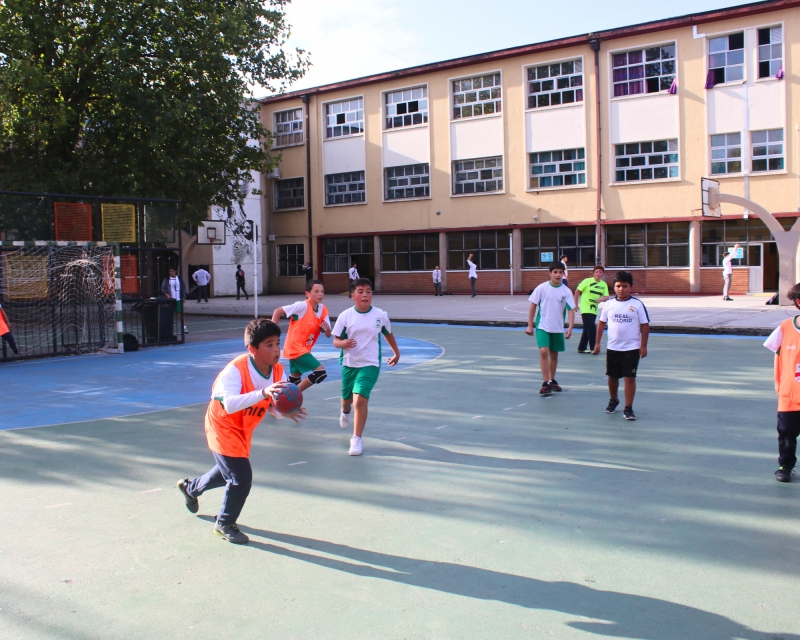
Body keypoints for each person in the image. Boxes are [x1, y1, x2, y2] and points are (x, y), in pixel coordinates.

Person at [176, 319, 307, 544]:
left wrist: (283, 412)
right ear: (252, 349)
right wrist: (264, 392)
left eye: (278, 343)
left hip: (244, 428)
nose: (276, 349)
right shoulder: (235, 370)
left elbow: (273, 407)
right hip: (222, 425)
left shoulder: (278, 371)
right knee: (241, 477)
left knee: (226, 472)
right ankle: (224, 523)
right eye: (269, 345)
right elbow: (230, 404)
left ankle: (191, 488)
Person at [332, 278, 400, 456]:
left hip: (370, 364)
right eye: (361, 291)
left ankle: (356, 439)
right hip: (349, 364)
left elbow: (388, 334)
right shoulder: (345, 316)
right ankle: (344, 411)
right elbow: (335, 341)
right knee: (347, 400)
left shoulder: (380, 315)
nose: (365, 295)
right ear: (353, 295)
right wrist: (343, 343)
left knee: (360, 399)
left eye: (368, 291)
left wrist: (396, 353)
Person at [593, 271, 650, 421]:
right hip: (613, 348)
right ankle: (613, 400)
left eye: (625, 286)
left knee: (629, 377)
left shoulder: (637, 304)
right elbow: (601, 324)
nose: (621, 289)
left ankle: (628, 407)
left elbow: (645, 325)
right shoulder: (609, 304)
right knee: (612, 376)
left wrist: (643, 346)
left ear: (630, 287)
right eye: (618, 286)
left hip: (631, 348)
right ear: (614, 287)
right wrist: (597, 342)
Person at [763, 283, 800, 482]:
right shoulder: (785, 328)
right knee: (786, 433)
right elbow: (777, 353)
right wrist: (778, 382)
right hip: (790, 394)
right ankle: (785, 466)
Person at [271, 279, 332, 392]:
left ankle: (276, 395)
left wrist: (328, 329)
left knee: (294, 378)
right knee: (320, 373)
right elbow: (277, 311)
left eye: (322, 291)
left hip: (304, 349)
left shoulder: (323, 310)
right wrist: (271, 333)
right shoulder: (301, 306)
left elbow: (328, 335)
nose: (320, 294)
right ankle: (294, 394)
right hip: (295, 348)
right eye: (316, 291)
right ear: (307, 294)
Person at [525, 261, 575, 396]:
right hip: (542, 326)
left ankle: (552, 380)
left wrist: (570, 327)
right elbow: (533, 306)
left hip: (558, 327)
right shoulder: (542, 288)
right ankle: (546, 382)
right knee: (543, 351)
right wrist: (530, 324)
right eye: (555, 272)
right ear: (550, 273)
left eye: (560, 272)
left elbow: (571, 310)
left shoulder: (567, 291)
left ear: (564, 274)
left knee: (554, 354)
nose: (558, 275)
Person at [575, 266, 610, 354]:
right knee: (591, 326)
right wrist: (575, 304)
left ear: (603, 274)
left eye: (600, 272)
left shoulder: (603, 284)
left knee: (588, 327)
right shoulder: (587, 281)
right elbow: (577, 291)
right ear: (593, 273)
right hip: (585, 307)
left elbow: (607, 296)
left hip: (594, 308)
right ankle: (593, 347)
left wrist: (600, 300)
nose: (598, 274)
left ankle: (582, 347)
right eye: (597, 272)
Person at [161, 267, 188, 333]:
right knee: (170, 314)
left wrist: (183, 297)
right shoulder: (167, 280)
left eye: (171, 271)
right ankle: (168, 329)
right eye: (169, 271)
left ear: (175, 271)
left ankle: (184, 328)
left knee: (180, 313)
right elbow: (163, 289)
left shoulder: (179, 279)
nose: (170, 273)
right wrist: (167, 295)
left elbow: (184, 288)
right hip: (171, 299)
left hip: (178, 298)